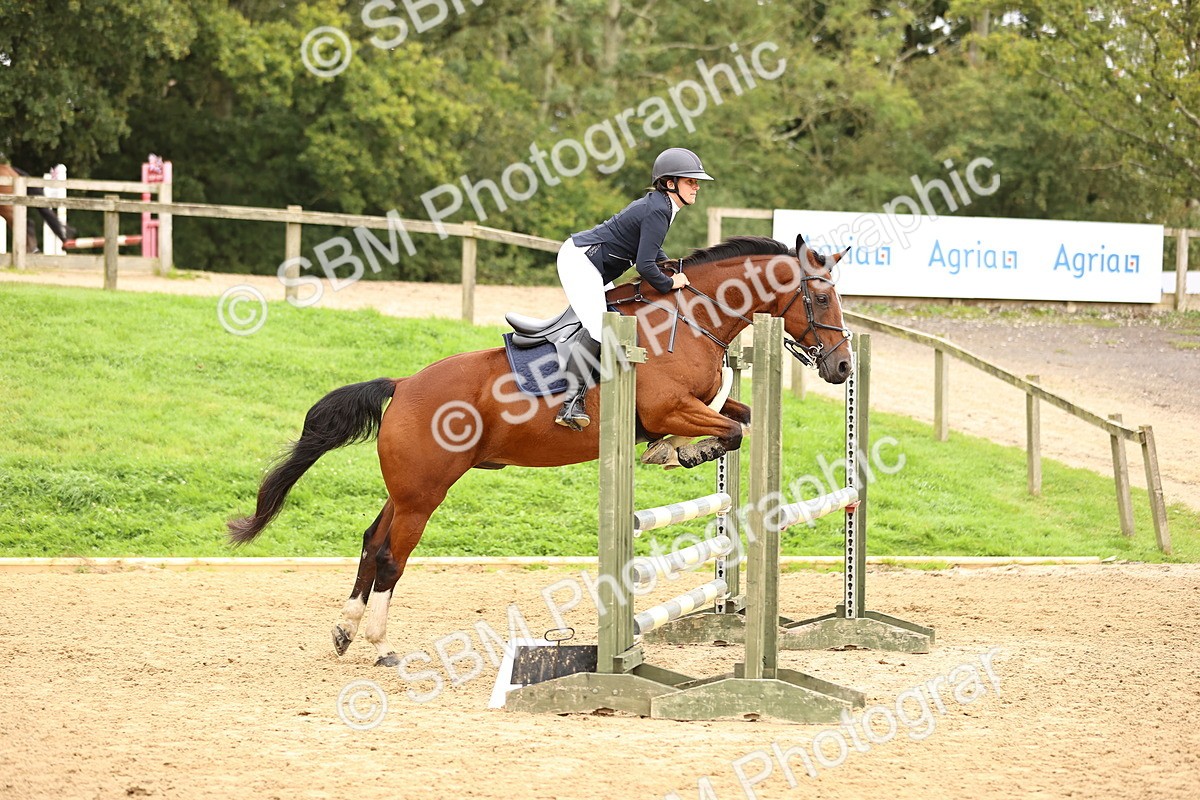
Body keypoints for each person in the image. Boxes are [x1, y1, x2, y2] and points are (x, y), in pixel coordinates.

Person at [553, 147, 714, 430]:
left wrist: (670, 265)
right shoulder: (659, 209)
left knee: (617, 318)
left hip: (596, 264)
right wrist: (670, 282)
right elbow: (644, 266)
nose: (697, 186)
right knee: (599, 328)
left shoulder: (663, 206)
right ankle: (569, 405)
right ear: (670, 183)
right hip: (581, 261)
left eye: (696, 181)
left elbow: (651, 249)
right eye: (691, 181)